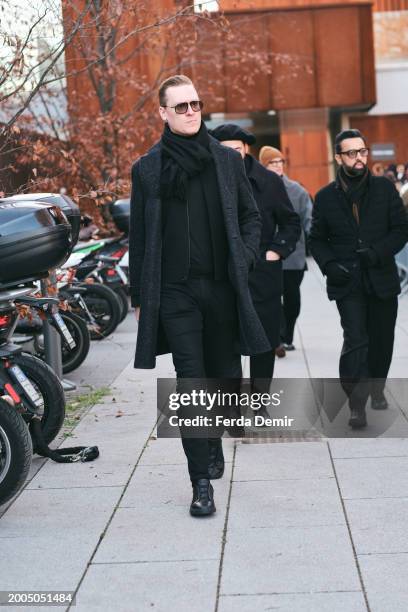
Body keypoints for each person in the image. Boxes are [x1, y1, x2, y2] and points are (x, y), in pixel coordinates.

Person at [128, 75, 270, 517]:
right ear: (163, 114)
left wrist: (244, 259)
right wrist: (139, 295)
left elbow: (251, 218)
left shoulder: (226, 162)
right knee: (190, 383)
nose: (192, 112)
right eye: (182, 106)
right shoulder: (147, 169)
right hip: (175, 293)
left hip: (222, 288)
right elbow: (139, 238)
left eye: (196, 104)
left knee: (223, 374)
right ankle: (200, 483)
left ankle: (213, 442)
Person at [310, 129, 408, 429]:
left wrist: (377, 253)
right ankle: (356, 403)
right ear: (339, 157)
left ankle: (377, 388)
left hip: (381, 279)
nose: (358, 158)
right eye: (351, 153)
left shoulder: (385, 189)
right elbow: (316, 240)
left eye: (362, 151)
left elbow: (401, 230)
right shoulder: (326, 196)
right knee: (355, 340)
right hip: (347, 281)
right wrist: (329, 265)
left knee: (382, 340)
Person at [210, 125, 300, 405]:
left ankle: (260, 402)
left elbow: (290, 222)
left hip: (262, 272)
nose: (230, 155)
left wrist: (276, 252)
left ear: (246, 149)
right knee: (226, 344)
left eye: (235, 149)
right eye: (224, 150)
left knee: (263, 342)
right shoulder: (211, 180)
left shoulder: (268, 181)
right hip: (224, 274)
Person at [259, 146, 313, 351]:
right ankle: (278, 338)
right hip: (267, 255)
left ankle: (287, 333)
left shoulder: (297, 191)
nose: (277, 166)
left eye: (280, 162)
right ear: (264, 166)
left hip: (294, 255)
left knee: (292, 299)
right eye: (272, 163)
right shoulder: (258, 188)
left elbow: (309, 220)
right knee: (272, 298)